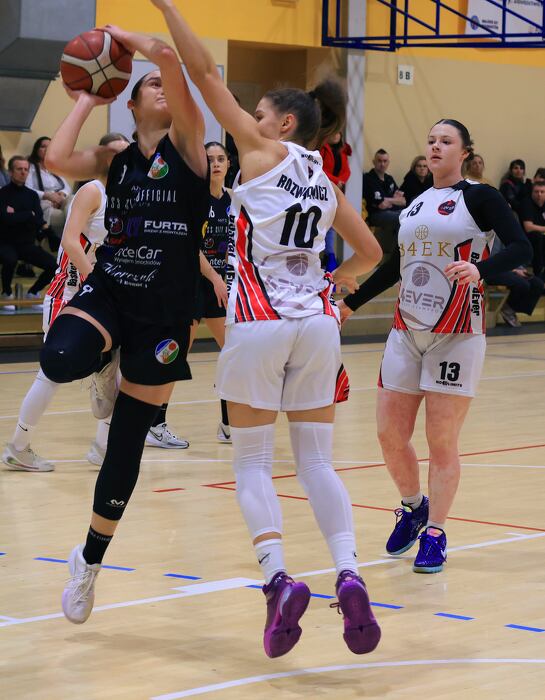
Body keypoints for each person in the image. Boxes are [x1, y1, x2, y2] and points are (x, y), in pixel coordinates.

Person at [150, 0, 383, 658]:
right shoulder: (324, 178)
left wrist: (167, 7)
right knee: (316, 462)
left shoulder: (260, 150)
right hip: (317, 325)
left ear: (283, 123)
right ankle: (349, 573)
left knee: (252, 462)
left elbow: (204, 73)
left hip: (259, 319)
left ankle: (278, 579)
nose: (246, 121)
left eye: (257, 114)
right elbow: (369, 253)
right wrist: (333, 287)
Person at [39, 25, 209, 625]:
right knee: (58, 359)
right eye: (150, 86)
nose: (162, 87)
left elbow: (170, 58)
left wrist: (123, 36)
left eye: (166, 85)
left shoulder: (190, 147)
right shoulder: (116, 161)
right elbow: (56, 159)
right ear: (131, 104)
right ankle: (103, 360)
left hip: (165, 313)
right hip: (112, 288)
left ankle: (89, 561)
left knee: (127, 444)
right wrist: (88, 96)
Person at [337, 119, 531, 575]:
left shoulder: (481, 197)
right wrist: (350, 304)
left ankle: (437, 534)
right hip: (407, 329)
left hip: (457, 331)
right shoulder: (416, 204)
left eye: (446, 141)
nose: (436, 147)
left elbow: (521, 248)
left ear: (464, 152)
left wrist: (481, 269)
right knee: (389, 434)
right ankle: (413, 506)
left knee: (440, 438)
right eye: (431, 141)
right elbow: (395, 266)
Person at [2, 134, 130, 472]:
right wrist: (98, 283)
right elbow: (72, 242)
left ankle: (103, 447)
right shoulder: (93, 191)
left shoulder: (128, 196)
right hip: (72, 293)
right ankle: (18, 446)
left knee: (119, 371)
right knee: (52, 372)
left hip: (105, 296)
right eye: (116, 152)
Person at [192, 141, 231, 442]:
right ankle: (156, 423)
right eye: (210, 159)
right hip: (191, 281)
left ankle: (228, 424)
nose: (215, 164)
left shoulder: (233, 200)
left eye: (220, 159)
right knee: (176, 352)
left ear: (228, 164)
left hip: (220, 284)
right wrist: (215, 276)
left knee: (233, 353)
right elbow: (189, 246)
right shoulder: (193, 197)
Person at [0, 156, 57, 302]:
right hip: (5, 243)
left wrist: (18, 215)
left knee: (53, 266)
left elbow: (38, 219)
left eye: (26, 169)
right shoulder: (2, 194)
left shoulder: (32, 195)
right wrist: (27, 214)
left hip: (26, 244)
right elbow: (5, 219)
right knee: (10, 259)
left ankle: (33, 292)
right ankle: (6, 292)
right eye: (19, 169)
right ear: (10, 172)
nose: (23, 172)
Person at [26, 136, 72, 251]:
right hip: (43, 201)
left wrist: (62, 194)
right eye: (43, 147)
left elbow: (67, 187)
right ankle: (66, 239)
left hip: (60, 201)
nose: (47, 149)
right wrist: (47, 196)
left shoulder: (54, 166)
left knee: (73, 198)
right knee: (60, 215)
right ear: (37, 150)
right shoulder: (30, 167)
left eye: (50, 146)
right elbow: (27, 189)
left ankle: (73, 231)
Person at [363, 149, 406, 254]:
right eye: (379, 161)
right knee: (402, 217)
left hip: (391, 212)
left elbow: (403, 201)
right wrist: (394, 200)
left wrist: (388, 200)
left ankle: (398, 253)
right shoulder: (368, 178)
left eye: (385, 161)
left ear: (388, 162)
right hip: (375, 215)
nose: (382, 164)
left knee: (408, 214)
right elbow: (381, 205)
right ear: (374, 162)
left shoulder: (389, 178)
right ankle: (397, 255)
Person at [320, 132, 352, 270]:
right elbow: (320, 168)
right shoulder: (322, 149)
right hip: (323, 189)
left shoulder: (342, 151)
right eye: (333, 132)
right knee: (322, 222)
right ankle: (327, 255)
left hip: (335, 191)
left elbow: (347, 171)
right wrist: (335, 180)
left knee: (332, 224)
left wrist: (340, 181)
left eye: (338, 133)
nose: (335, 135)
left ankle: (329, 256)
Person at [519, 180, 545, 278]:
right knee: (538, 237)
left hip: (541, 233)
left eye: (542, 192)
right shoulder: (527, 203)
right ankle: (538, 272)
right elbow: (528, 227)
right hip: (527, 235)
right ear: (532, 192)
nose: (539, 194)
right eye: (536, 192)